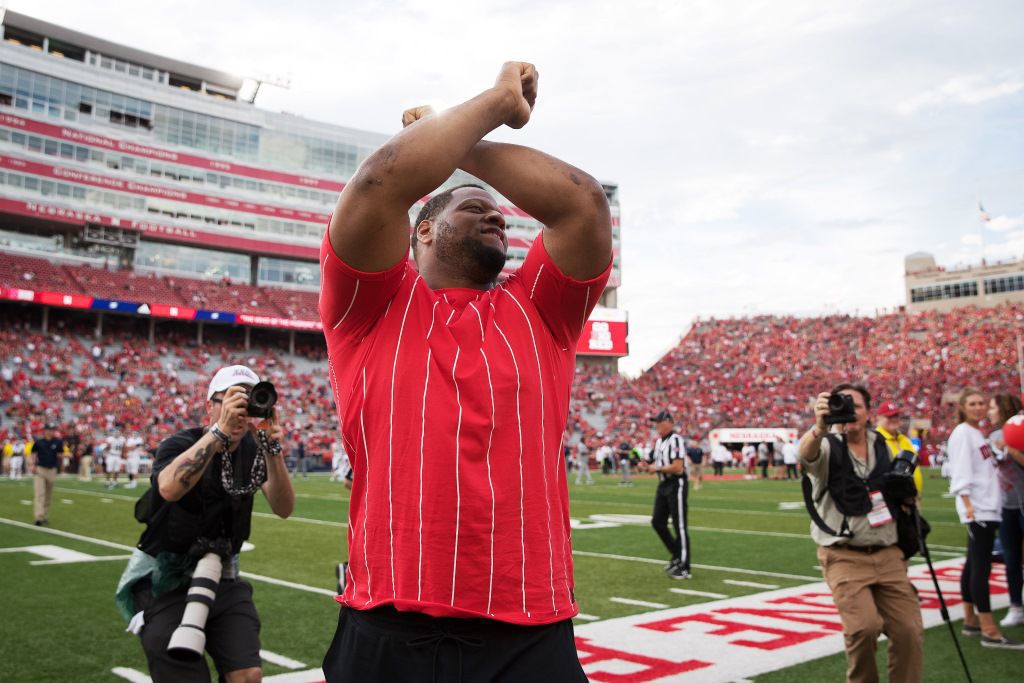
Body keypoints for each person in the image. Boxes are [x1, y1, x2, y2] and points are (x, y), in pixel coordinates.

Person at [317, 62, 611, 682]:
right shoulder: (368, 306)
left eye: (503, 213)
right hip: (386, 622)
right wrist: (497, 101)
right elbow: (378, 183)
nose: (499, 216)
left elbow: (582, 204)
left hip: (529, 627)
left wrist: (466, 145)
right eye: (476, 206)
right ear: (421, 229)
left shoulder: (542, 309)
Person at [114, 364, 294, 682]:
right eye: (229, 400)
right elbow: (168, 488)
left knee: (248, 673)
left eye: (246, 402)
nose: (239, 412)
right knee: (182, 672)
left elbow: (283, 507)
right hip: (165, 576)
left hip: (222, 571)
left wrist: (273, 451)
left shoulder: (255, 450)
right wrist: (218, 434)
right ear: (209, 406)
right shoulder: (180, 443)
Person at [798, 383, 923, 681]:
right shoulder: (826, 443)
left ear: (869, 413)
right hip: (844, 554)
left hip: (888, 550)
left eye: (857, 405)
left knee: (909, 631)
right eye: (842, 403)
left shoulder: (883, 444)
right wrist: (818, 426)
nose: (850, 411)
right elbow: (805, 455)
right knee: (863, 628)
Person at [948, 387, 1023, 648]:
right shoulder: (962, 434)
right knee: (982, 567)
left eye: (982, 403)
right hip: (978, 509)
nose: (979, 407)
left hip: (988, 507)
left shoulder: (976, 433)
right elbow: (961, 473)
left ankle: (970, 620)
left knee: (973, 564)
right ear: (962, 407)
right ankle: (989, 630)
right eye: (973, 403)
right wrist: (968, 505)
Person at [638, 410, 691, 579]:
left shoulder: (676, 440)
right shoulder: (659, 442)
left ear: (669, 422)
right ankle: (676, 555)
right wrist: (646, 466)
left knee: (679, 525)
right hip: (663, 484)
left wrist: (656, 468)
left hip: (677, 484)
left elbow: (678, 466)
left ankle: (684, 566)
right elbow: (653, 462)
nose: (657, 425)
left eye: (659, 422)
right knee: (657, 521)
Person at [989, 393, 1024, 628]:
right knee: (1011, 558)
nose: (989, 412)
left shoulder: (1017, 431)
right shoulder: (992, 436)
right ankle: (1015, 606)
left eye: (992, 407)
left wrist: (1011, 448)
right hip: (1005, 505)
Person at [875, 401, 923, 495]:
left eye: (896, 416)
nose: (893, 419)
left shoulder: (904, 439)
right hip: (890, 498)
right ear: (879, 417)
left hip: (910, 497)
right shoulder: (875, 439)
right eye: (889, 416)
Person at [31, 422, 63, 526]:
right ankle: (38, 517)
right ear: (45, 431)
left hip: (52, 469)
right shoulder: (39, 442)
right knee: (40, 494)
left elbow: (60, 454)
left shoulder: (58, 442)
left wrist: (62, 462)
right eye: (49, 429)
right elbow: (33, 453)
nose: (51, 431)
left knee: (48, 495)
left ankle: (44, 515)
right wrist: (32, 465)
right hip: (40, 469)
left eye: (52, 430)